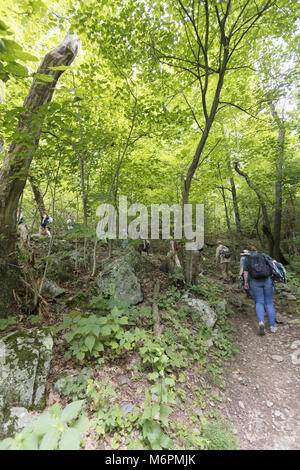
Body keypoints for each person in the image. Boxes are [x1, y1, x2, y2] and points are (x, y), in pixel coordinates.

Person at [243, 250, 277, 335]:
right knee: (269, 303)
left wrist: (246, 282)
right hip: (267, 280)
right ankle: (272, 326)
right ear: (256, 250)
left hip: (255, 282)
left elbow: (245, 272)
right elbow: (274, 263)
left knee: (259, 302)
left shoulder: (246, 259)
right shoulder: (263, 255)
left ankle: (261, 322)